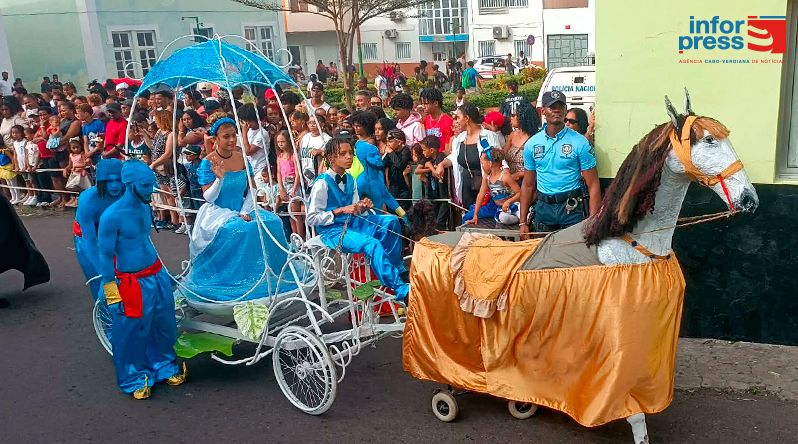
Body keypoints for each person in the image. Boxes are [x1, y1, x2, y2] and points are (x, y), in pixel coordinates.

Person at [97, 160, 186, 399]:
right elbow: (105, 256)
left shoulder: (145, 207)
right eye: (146, 186)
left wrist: (164, 273)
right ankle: (134, 376)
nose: (151, 190)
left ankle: (164, 365)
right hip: (132, 282)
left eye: (151, 184)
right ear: (130, 184)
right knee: (131, 331)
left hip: (156, 274)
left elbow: (145, 242)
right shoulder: (111, 216)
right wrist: (112, 292)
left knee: (164, 324)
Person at [182, 117, 291, 300]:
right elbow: (209, 197)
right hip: (217, 212)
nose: (232, 140)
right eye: (226, 136)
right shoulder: (208, 162)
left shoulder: (242, 158)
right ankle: (240, 280)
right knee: (241, 230)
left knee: (273, 222)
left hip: (243, 207)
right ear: (216, 139)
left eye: (234, 135)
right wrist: (220, 179)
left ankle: (272, 275)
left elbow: (252, 189)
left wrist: (244, 211)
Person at [306, 135, 409, 302]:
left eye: (351, 153)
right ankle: (400, 288)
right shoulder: (322, 183)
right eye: (343, 154)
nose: (349, 157)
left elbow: (355, 209)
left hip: (353, 223)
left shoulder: (350, 179)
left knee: (391, 221)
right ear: (331, 158)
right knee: (372, 243)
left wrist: (362, 206)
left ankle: (396, 269)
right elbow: (311, 218)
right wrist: (340, 211)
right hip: (333, 231)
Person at [519, 91, 601, 236]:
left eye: (560, 106)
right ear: (543, 111)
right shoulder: (532, 144)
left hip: (571, 208)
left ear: (565, 110)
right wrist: (522, 222)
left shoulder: (580, 142)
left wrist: (593, 221)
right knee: (544, 249)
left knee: (573, 249)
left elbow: (593, 184)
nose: (556, 110)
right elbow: (528, 185)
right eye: (552, 107)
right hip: (543, 208)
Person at [434, 103, 502, 212]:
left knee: (483, 215)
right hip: (466, 186)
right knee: (468, 213)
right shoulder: (459, 139)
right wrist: (441, 164)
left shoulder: (489, 136)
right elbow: (454, 157)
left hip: (486, 186)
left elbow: (499, 159)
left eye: (458, 117)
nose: (455, 121)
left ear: (466, 118)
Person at [73, 159, 124, 299]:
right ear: (100, 182)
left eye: (118, 180)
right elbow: (90, 242)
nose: (115, 185)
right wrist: (104, 273)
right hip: (89, 237)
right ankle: (108, 304)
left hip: (116, 234)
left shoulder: (126, 193)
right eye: (109, 181)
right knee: (100, 277)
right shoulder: (88, 199)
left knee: (129, 273)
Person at [351, 111, 406, 218]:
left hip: (380, 190)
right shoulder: (360, 181)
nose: (356, 128)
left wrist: (403, 214)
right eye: (355, 126)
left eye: (359, 126)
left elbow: (385, 194)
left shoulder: (372, 145)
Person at [464, 148, 521, 225]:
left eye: (482, 163)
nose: (482, 166)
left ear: (490, 163)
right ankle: (517, 218)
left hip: (513, 205)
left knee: (519, 213)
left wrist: (508, 201)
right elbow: (481, 195)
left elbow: (520, 193)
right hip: (500, 208)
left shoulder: (505, 176)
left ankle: (522, 216)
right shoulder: (487, 177)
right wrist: (475, 215)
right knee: (503, 218)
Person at [148, 110, 180, 229]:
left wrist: (154, 164)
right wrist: (144, 134)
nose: (155, 122)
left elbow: (168, 153)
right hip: (158, 168)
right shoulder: (159, 132)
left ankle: (178, 220)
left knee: (171, 194)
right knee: (166, 194)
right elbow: (152, 146)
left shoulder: (171, 134)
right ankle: (173, 219)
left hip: (166, 167)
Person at [237, 104, 271, 197]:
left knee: (262, 198)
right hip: (250, 170)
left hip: (260, 170)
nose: (247, 123)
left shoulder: (262, 133)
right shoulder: (250, 131)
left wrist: (244, 132)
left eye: (249, 121)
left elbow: (248, 151)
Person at [416, 136, 449, 229]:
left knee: (439, 222)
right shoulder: (426, 158)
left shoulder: (440, 156)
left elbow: (437, 174)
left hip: (443, 195)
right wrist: (430, 168)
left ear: (431, 150)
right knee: (432, 221)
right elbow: (417, 171)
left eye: (424, 150)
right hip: (433, 194)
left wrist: (430, 167)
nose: (422, 152)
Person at [504, 101, 539, 182]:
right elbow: (503, 155)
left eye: (513, 115)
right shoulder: (512, 135)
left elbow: (539, 165)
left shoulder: (535, 138)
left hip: (528, 181)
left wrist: (519, 174)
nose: (511, 118)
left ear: (523, 117)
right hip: (511, 181)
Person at [275, 130, 302, 236]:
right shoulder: (280, 156)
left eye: (283, 141)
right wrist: (281, 188)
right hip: (284, 184)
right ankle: (294, 236)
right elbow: (278, 173)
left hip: (293, 184)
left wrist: (294, 189)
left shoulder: (293, 155)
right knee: (289, 214)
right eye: (278, 142)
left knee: (295, 214)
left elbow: (298, 173)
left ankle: (300, 236)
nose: (280, 144)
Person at [383, 129, 412, 211]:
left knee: (404, 212)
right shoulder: (390, 152)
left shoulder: (405, 151)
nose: (388, 144)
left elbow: (400, 165)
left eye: (390, 141)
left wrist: (391, 153)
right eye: (387, 142)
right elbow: (382, 164)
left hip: (404, 187)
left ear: (399, 142)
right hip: (393, 186)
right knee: (392, 211)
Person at [63, 137, 91, 207]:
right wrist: (66, 169)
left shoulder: (82, 154)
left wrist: (77, 166)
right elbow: (70, 165)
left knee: (81, 186)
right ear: (70, 148)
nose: (76, 149)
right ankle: (74, 198)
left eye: (77, 147)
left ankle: (79, 198)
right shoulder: (70, 155)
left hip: (81, 174)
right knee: (72, 186)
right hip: (74, 174)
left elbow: (85, 164)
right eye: (73, 148)